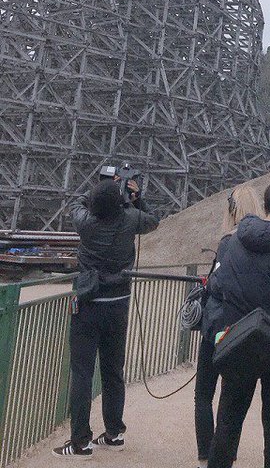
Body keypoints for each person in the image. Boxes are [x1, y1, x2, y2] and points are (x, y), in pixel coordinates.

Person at [204, 179, 270, 468]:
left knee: (227, 426)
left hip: (238, 344)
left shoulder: (233, 242)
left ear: (265, 205)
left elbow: (221, 288)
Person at [53, 176, 158, 458]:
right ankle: (113, 433)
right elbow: (153, 220)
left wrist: (100, 190)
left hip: (88, 305)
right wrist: (134, 197)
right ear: (120, 204)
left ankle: (80, 442)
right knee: (113, 371)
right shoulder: (130, 219)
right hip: (118, 304)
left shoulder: (86, 223)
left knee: (83, 374)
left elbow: (78, 203)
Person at [194, 184, 264, 468]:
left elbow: (219, 285)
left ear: (233, 210)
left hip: (218, 328)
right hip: (247, 330)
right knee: (233, 399)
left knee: (203, 395)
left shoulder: (228, 243)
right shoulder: (264, 243)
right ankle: (227, 454)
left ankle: (205, 457)